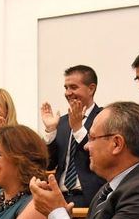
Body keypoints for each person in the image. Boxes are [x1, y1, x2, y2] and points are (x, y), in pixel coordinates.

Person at [40, 65, 106, 207]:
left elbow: (102, 155)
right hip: (59, 197)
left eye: (73, 87)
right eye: (66, 88)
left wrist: (77, 129)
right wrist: (50, 131)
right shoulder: (62, 122)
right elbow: (49, 164)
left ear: (91, 88)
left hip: (91, 198)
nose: (68, 93)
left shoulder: (104, 118)